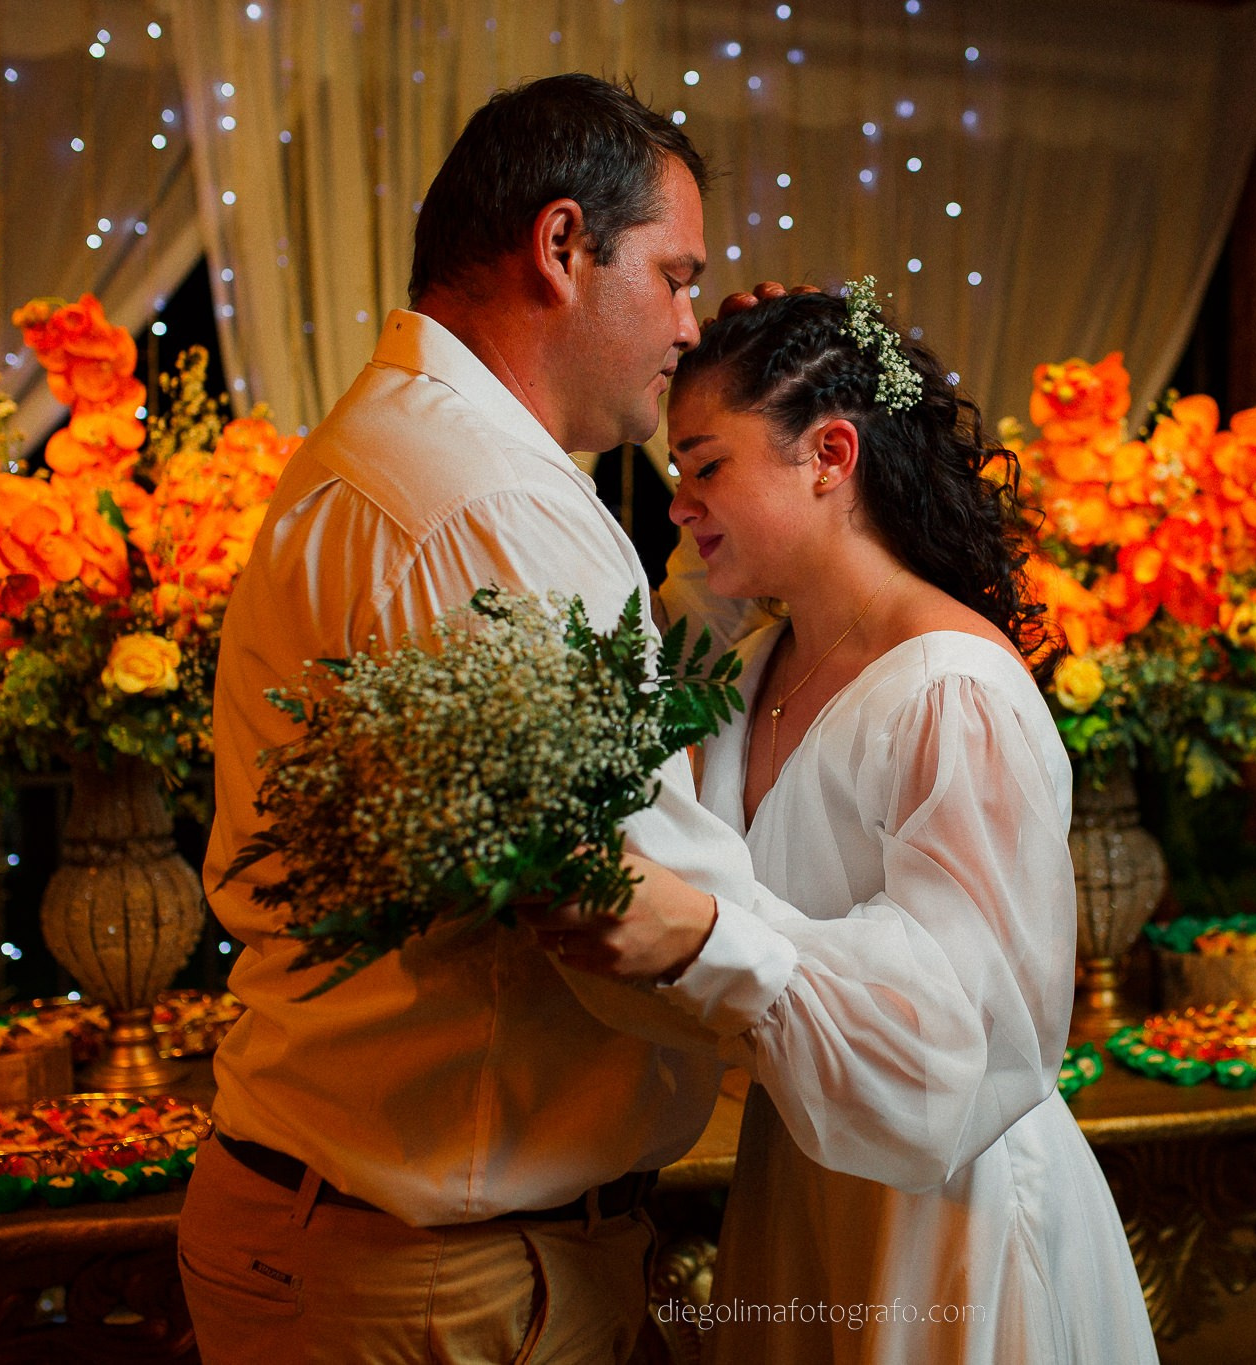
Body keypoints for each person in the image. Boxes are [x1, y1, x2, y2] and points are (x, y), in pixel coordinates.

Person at [182, 75, 806, 1365]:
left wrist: (738, 518)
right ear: (562, 246)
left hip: (376, 1229)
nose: (690, 326)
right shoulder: (484, 507)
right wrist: (885, 1006)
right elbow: (624, 894)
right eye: (676, 278)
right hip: (427, 1267)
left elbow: (597, 726)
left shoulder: (424, 450)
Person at [544, 288, 1159, 1363]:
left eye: (705, 465)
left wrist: (706, 943)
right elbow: (651, 702)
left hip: (946, 1212)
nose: (678, 505)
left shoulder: (951, 690)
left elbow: (959, 1037)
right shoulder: (741, 673)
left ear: (830, 454)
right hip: (801, 1181)